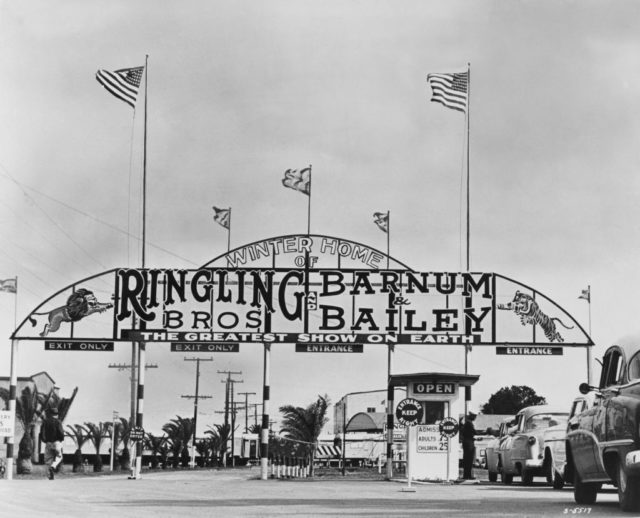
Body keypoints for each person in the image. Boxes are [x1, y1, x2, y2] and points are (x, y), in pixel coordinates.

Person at [40, 407, 64, 480]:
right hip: (56, 442)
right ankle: (53, 466)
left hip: (48, 443)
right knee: (59, 456)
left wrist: (45, 440)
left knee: (48, 460)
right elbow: (61, 432)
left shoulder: (45, 422)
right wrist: (61, 439)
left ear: (50, 414)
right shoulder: (58, 422)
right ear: (57, 414)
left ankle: (50, 476)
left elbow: (42, 433)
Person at [461, 411, 477, 480]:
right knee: (469, 460)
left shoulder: (467, 422)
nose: (475, 418)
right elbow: (474, 432)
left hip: (467, 441)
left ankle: (467, 475)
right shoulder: (469, 423)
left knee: (467, 460)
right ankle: (468, 475)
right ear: (472, 416)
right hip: (469, 442)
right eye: (474, 416)